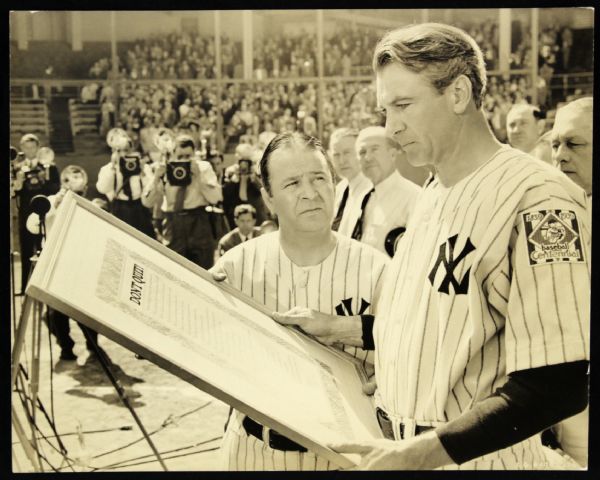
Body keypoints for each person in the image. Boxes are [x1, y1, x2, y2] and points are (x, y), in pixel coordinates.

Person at [272, 23, 590, 470]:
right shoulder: (435, 187)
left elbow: (556, 386)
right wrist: (334, 327)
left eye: (403, 105)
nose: (391, 127)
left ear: (458, 94)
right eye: (385, 109)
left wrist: (413, 454)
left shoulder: (541, 200)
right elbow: (435, 321)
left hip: (476, 460)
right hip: (406, 448)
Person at [212, 131, 390, 471]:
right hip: (254, 453)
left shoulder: (378, 269)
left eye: (319, 178)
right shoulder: (234, 266)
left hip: (348, 459)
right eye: (292, 183)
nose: (310, 193)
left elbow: (417, 347)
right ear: (268, 197)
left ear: (334, 184)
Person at [543, 96, 593, 468]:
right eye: (555, 143)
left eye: (574, 144)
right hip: (554, 392)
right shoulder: (552, 212)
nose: (559, 155)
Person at [26, 166, 103, 361]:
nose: (75, 184)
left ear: (85, 185)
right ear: (63, 182)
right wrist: (56, 204)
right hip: (56, 262)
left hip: (82, 262)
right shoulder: (51, 201)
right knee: (55, 313)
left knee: (87, 310)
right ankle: (65, 346)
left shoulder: (92, 203)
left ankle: (92, 344)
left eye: (79, 180)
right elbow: (33, 226)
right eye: (70, 180)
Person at [142, 133, 222, 269]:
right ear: (172, 154)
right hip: (173, 222)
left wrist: (199, 178)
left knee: (204, 269)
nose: (184, 160)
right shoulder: (165, 169)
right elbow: (147, 202)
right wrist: (156, 179)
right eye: (180, 157)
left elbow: (216, 198)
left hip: (198, 222)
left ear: (194, 154)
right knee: (173, 268)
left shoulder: (203, 167)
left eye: (188, 156)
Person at [352, 126, 421, 257]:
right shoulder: (361, 197)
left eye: (375, 149)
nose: (367, 157)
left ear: (393, 154)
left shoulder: (414, 197)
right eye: (362, 152)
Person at [12, 134, 61, 294]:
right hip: (25, 214)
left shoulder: (49, 167)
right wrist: (18, 182)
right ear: (21, 149)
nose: (29, 151)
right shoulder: (17, 167)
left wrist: (45, 179)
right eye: (26, 147)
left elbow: (56, 188)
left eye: (32, 147)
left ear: (38, 148)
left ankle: (46, 287)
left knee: (46, 248)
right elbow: (13, 193)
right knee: (26, 250)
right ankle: (25, 287)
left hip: (46, 214)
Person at [96, 141, 155, 238]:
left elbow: (150, 189)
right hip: (120, 207)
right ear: (113, 152)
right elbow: (102, 189)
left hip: (139, 207)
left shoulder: (141, 167)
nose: (123, 154)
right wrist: (113, 167)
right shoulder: (109, 169)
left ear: (132, 150)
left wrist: (142, 172)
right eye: (119, 151)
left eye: (127, 150)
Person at [328, 128, 373, 237]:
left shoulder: (372, 190)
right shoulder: (339, 190)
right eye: (336, 155)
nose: (342, 161)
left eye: (347, 153)